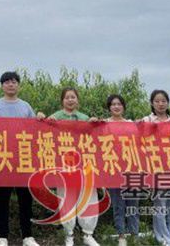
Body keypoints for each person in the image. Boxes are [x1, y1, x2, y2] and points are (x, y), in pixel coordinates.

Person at [0, 72, 40, 246]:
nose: (10, 84)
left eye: (14, 81)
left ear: (18, 85)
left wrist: (40, 118)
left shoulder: (25, 106)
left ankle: (27, 236)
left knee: (25, 199)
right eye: (7, 82)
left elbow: (35, 129)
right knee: (2, 199)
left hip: (22, 158)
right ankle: (2, 236)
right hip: (3, 158)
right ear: (2, 86)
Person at [46, 87, 101, 246]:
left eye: (73, 97)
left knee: (88, 196)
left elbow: (95, 138)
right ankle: (69, 234)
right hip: (63, 165)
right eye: (67, 97)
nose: (70, 100)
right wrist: (44, 119)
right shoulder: (55, 117)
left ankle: (88, 234)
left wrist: (95, 123)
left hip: (84, 164)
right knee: (66, 197)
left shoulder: (85, 118)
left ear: (78, 100)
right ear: (62, 101)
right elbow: (45, 134)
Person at [141, 90, 170, 246]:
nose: (160, 104)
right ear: (152, 103)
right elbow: (138, 138)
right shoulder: (146, 120)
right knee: (160, 206)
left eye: (163, 101)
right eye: (157, 101)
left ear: (168, 103)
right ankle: (163, 239)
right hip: (156, 170)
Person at [104, 94, 139, 246]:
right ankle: (121, 236)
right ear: (109, 107)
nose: (116, 107)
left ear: (123, 107)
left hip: (132, 169)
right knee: (118, 205)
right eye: (113, 104)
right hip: (114, 170)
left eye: (119, 104)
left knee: (133, 204)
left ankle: (134, 235)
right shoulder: (104, 124)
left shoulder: (131, 124)